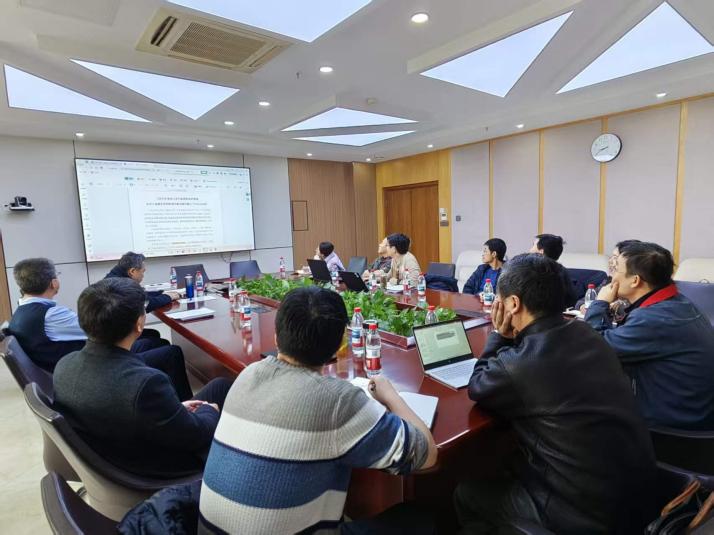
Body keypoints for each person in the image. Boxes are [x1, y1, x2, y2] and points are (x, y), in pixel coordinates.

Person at [199, 286, 437, 534]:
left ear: (276, 337)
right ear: (340, 344)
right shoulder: (337, 402)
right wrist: (390, 395)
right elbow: (427, 455)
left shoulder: (248, 375)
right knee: (418, 519)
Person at [456, 253, 655, 534]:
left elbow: (478, 386)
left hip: (580, 513)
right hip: (637, 497)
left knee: (466, 494)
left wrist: (499, 335)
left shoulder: (520, 363)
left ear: (513, 304)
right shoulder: (588, 334)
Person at [53, 278, 232, 477]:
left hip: (116, 452)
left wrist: (175, 409)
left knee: (220, 386)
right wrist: (208, 411)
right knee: (224, 393)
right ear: (139, 324)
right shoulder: (146, 383)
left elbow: (124, 408)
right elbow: (195, 436)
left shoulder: (64, 365)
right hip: (157, 468)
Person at [7, 257, 193, 400]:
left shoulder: (21, 313)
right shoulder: (49, 315)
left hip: (80, 363)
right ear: (53, 283)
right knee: (171, 352)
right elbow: (97, 326)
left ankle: (158, 387)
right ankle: (184, 403)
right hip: (96, 367)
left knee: (153, 339)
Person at [584, 242, 714, 430]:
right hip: (691, 414)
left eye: (615, 269)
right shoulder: (678, 302)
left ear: (635, 280)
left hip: (672, 428)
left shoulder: (653, 318)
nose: (611, 276)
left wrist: (599, 303)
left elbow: (595, 349)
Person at [576, 239, 641, 314]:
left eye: (615, 258)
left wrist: (601, 305)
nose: (610, 261)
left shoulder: (635, 286)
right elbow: (581, 302)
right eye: (611, 257)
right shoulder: (609, 281)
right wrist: (583, 306)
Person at [105, 252, 180, 313]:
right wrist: (169, 297)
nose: (143, 275)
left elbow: (140, 295)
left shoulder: (114, 277)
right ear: (132, 271)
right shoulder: (122, 286)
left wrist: (160, 293)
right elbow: (147, 304)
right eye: (142, 271)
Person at [529, 233, 576, 308]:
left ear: (541, 252)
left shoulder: (534, 272)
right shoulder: (562, 271)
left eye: (533, 245)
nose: (530, 250)